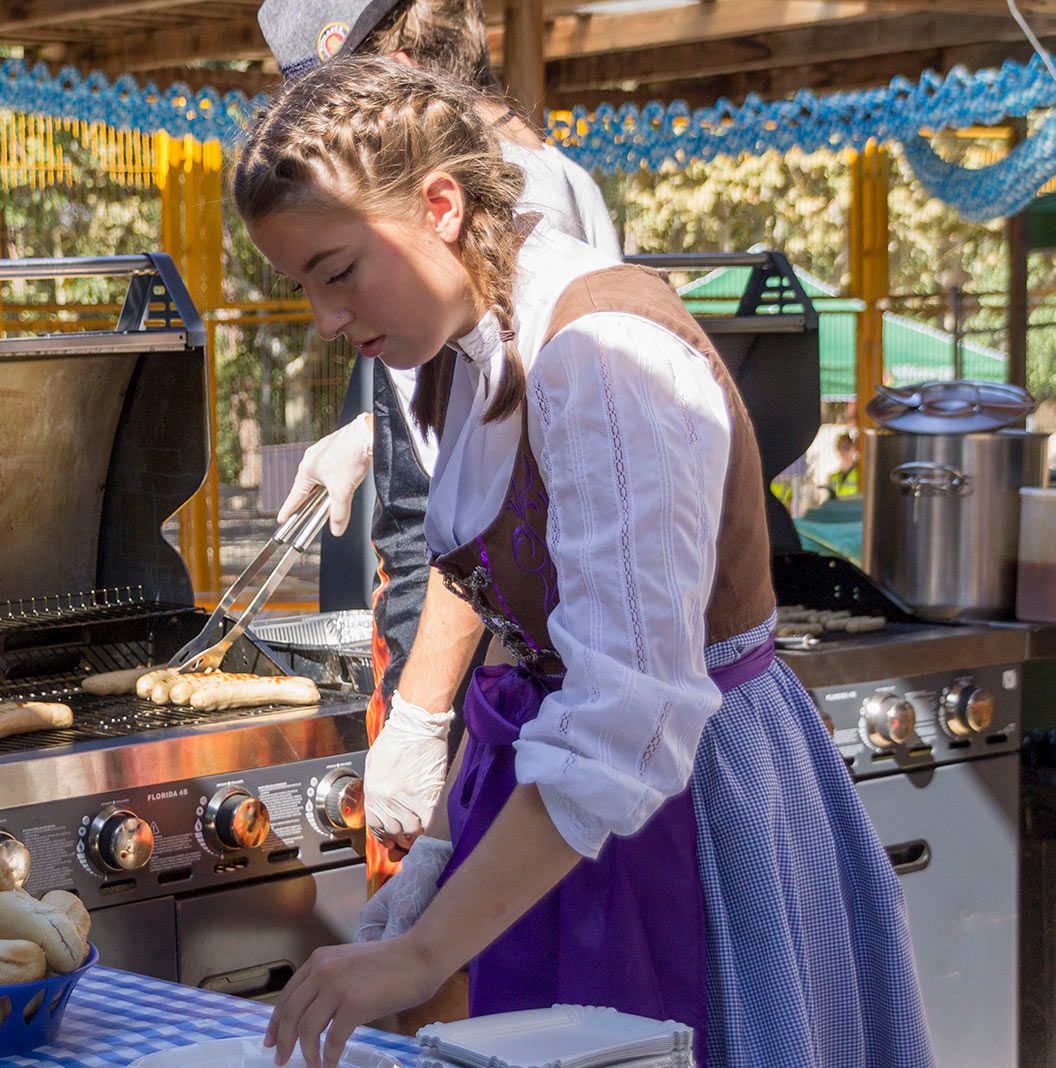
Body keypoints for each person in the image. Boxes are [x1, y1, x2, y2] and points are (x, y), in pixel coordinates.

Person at [232, 57, 932, 1068]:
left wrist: (427, 951)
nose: (327, 321)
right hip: (557, 825)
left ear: (437, 204)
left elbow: (628, 719)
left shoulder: (601, 357)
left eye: (337, 272)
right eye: (304, 287)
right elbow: (526, 642)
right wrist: (437, 849)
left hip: (684, 821)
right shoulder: (469, 351)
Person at [257, 0, 622, 862]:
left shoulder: (512, 204)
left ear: (411, 55)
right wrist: (373, 432)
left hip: (477, 659)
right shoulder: (528, 180)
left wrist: (421, 716)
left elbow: (515, 518)